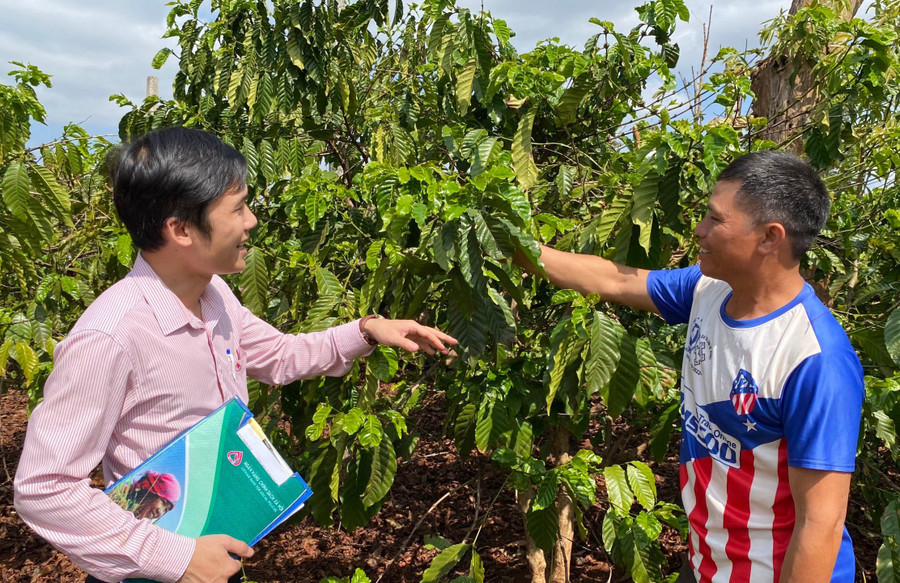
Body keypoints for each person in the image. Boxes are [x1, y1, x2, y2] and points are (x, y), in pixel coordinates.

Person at [14, 127, 457, 583]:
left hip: (214, 552)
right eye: (238, 208)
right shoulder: (110, 336)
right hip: (153, 570)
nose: (252, 221)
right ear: (181, 229)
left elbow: (279, 355)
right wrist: (177, 558)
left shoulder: (216, 296)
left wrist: (366, 330)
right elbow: (43, 488)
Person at [514, 151, 863, 582]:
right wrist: (510, 243)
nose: (699, 228)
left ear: (769, 237)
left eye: (715, 219)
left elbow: (820, 524)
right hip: (706, 564)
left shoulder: (814, 359)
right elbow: (613, 279)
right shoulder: (708, 289)